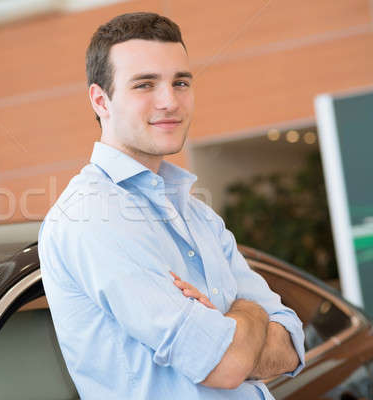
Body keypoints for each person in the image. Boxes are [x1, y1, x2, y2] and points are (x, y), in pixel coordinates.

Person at [38, 12, 304, 399]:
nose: (170, 101)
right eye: (144, 85)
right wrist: (249, 313)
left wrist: (231, 331)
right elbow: (224, 364)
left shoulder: (198, 215)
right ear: (101, 100)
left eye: (180, 82)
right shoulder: (90, 216)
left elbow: (292, 344)